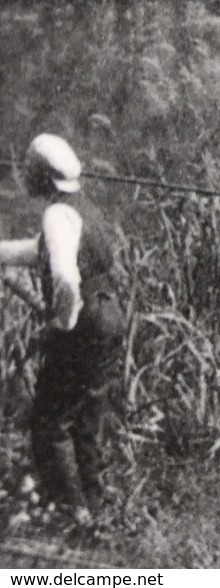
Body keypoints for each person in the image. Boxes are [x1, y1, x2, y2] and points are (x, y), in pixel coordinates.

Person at [0, 135, 126, 523]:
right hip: (109, 314)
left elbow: (66, 278)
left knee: (50, 420)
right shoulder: (81, 207)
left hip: (83, 320)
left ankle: (69, 511)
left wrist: (62, 323)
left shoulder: (57, 214)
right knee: (88, 414)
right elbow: (39, 249)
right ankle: (97, 505)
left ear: (42, 176)